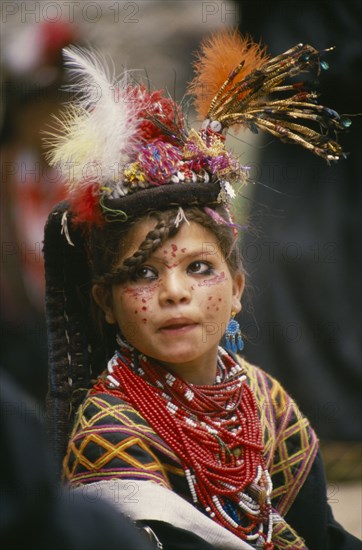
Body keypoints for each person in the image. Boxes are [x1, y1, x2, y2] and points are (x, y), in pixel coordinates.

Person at [43, 32, 360, 549]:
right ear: (104, 302)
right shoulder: (110, 439)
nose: (174, 292)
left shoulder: (265, 403)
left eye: (198, 267)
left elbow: (320, 536)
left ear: (237, 289)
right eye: (142, 274)